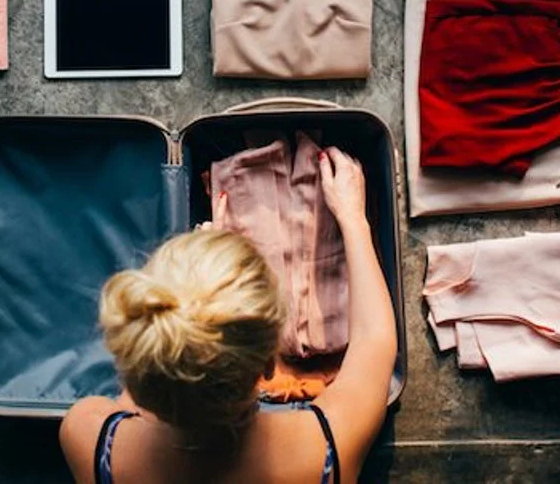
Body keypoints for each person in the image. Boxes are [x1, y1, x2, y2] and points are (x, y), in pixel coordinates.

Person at [60, 148, 397, 483]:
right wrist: (353, 218)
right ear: (270, 365)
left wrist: (196, 286)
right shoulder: (327, 446)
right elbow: (374, 340)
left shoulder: (87, 436)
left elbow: (144, 389)